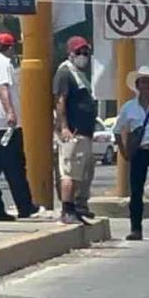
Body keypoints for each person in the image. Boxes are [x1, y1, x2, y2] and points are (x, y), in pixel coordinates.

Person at [114, 66, 149, 241]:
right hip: (139, 152)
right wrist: (123, 152)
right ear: (137, 85)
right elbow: (117, 129)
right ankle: (136, 229)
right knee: (136, 192)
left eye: (148, 81)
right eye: (142, 81)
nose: (146, 84)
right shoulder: (129, 107)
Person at [0, 32, 36, 221]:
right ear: (10, 48)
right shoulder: (3, 63)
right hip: (5, 124)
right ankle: (25, 206)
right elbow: (3, 87)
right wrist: (10, 112)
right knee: (15, 167)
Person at [53, 36, 98, 225]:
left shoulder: (81, 75)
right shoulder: (65, 73)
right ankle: (67, 210)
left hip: (85, 133)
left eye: (86, 52)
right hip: (73, 133)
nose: (83, 56)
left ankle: (78, 207)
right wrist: (64, 128)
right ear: (70, 54)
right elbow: (60, 101)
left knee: (81, 173)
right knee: (70, 172)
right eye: (78, 52)